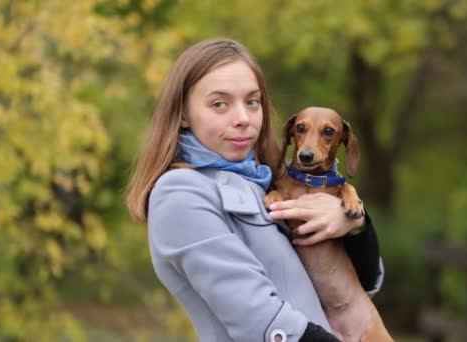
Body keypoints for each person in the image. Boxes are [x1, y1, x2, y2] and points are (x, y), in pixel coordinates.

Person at [125, 38, 384, 342]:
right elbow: (258, 319)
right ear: (182, 114)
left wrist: (354, 225)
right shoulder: (180, 193)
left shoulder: (264, 180)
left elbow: (363, 284)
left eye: (252, 101)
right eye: (219, 104)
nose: (243, 119)